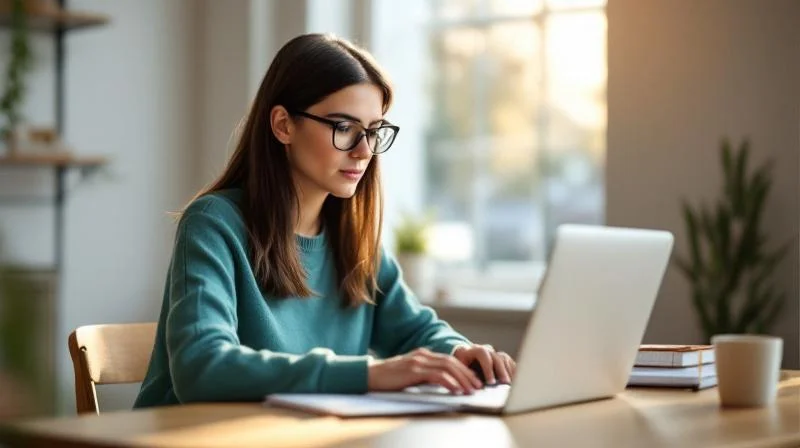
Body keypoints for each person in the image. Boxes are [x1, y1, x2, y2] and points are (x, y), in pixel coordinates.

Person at [134, 33, 515, 408]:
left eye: (373, 131)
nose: (364, 151)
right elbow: (201, 367)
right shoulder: (213, 224)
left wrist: (461, 353)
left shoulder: (353, 240)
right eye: (344, 128)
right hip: (185, 435)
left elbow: (416, 330)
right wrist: (369, 374)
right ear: (283, 125)